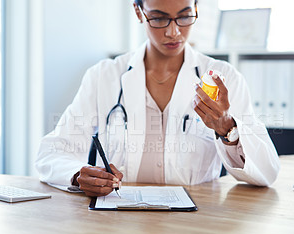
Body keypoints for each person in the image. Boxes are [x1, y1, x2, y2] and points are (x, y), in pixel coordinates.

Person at [35, 0, 280, 197]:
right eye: (159, 18)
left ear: (196, 8)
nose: (174, 32)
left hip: (197, 224)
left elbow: (267, 172)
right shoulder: (104, 77)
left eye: (184, 16)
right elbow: (51, 153)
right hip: (118, 223)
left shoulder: (223, 78)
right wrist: (78, 175)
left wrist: (228, 128)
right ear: (138, 11)